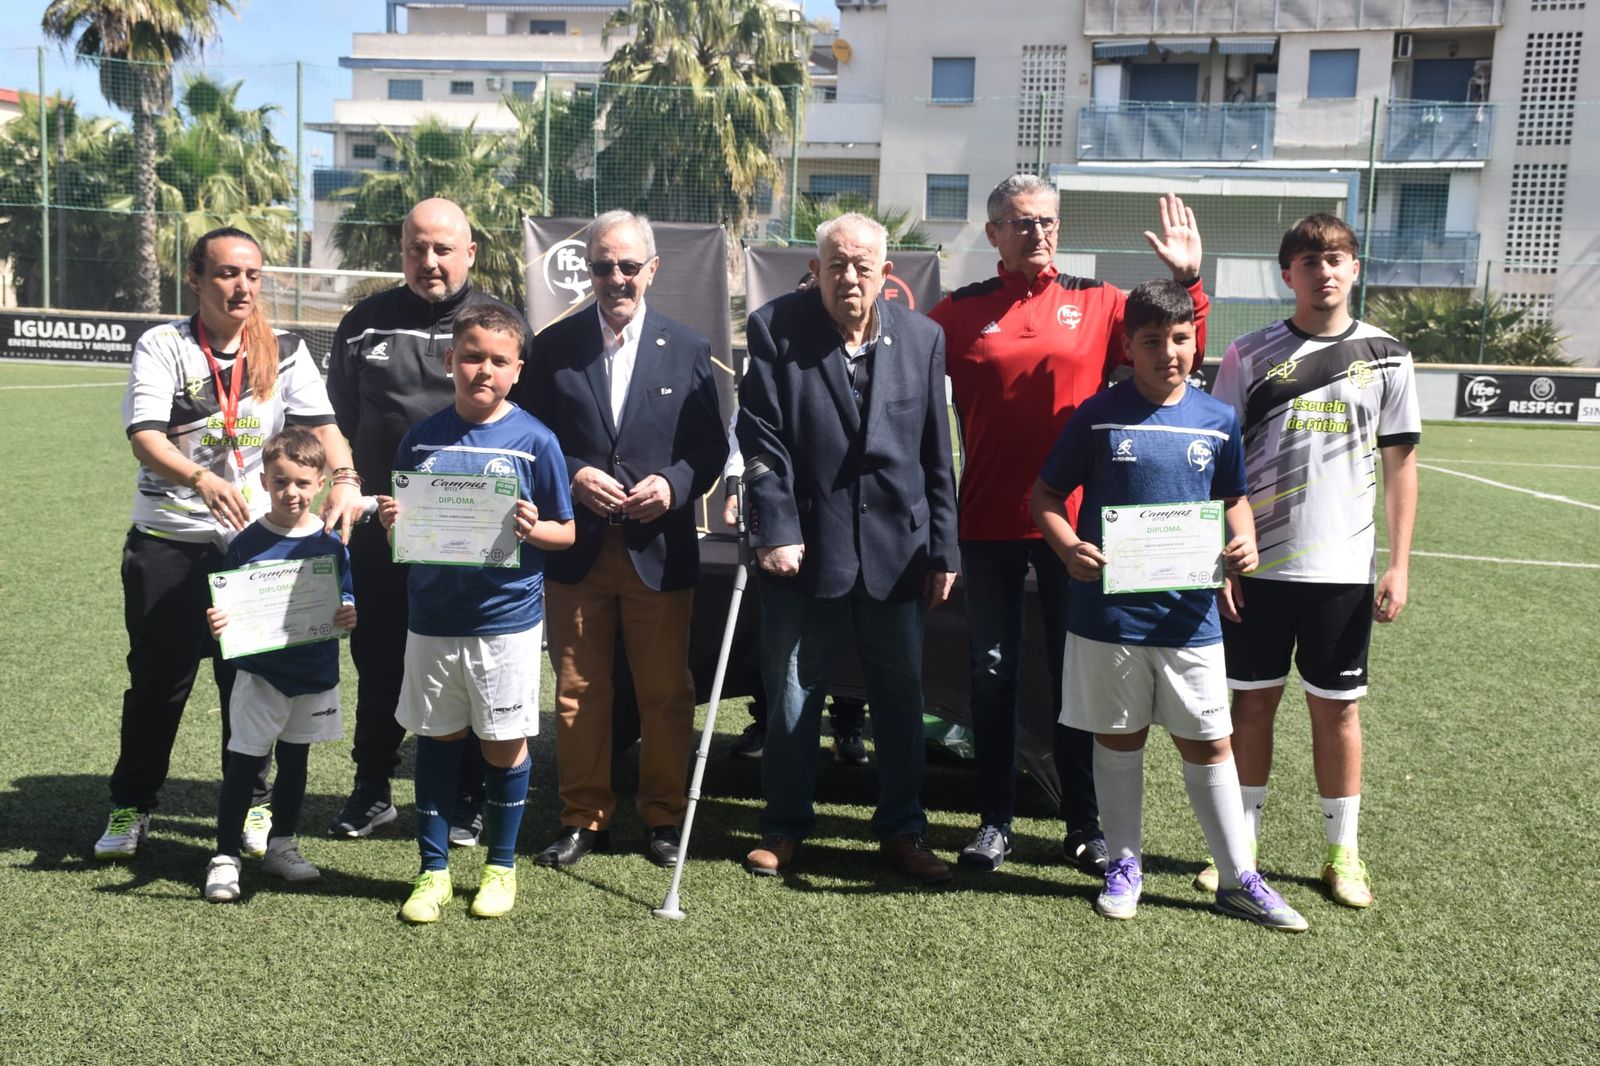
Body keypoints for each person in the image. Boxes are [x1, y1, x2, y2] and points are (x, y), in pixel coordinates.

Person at [929, 174, 1210, 873]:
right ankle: (994, 820)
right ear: (994, 233)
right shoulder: (957, 313)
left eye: (1049, 221)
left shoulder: (1099, 300)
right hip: (986, 525)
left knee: (1078, 679)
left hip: (1081, 533)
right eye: (1022, 222)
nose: (1039, 233)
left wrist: (1190, 282)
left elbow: (1178, 354)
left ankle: (1083, 823)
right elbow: (894, 371)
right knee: (990, 676)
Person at [1029, 280, 1307, 931]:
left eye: (1179, 339)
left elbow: (1233, 496)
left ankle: (1239, 877)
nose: (1168, 353)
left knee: (1210, 743)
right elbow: (1043, 495)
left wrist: (1243, 539)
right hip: (1108, 617)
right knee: (1118, 739)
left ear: (1194, 341)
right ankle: (1125, 864)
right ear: (1128, 347)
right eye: (1152, 341)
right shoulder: (1097, 415)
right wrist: (1069, 545)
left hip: (1191, 617)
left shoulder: (1217, 419)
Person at [96, 227, 361, 860]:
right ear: (195, 278)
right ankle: (132, 805)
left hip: (256, 546)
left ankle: (253, 808)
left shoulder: (284, 348)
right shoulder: (164, 344)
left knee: (251, 681)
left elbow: (323, 428)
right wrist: (200, 477)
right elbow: (146, 436)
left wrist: (346, 480)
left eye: (251, 274)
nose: (241, 286)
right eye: (225, 273)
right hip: (171, 539)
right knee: (159, 681)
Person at [1202, 213, 1420, 908]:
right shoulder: (1248, 353)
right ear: (1286, 273)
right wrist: (1224, 558)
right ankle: (1240, 853)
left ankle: (1342, 854)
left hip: (1344, 573)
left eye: (1336, 258)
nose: (1323, 271)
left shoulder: (1389, 355)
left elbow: (1402, 468)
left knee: (1339, 714)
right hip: (1260, 569)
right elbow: (1221, 462)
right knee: (1252, 706)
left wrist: (1400, 563)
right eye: (1308, 260)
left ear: (1355, 268)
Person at [736, 213, 958, 884]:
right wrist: (775, 529)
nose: (849, 277)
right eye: (836, 264)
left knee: (899, 697)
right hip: (806, 548)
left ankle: (903, 829)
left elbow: (935, 451)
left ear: (887, 274)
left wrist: (945, 548)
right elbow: (761, 440)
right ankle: (784, 827)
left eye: (863, 266)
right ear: (817, 269)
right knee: (795, 696)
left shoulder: (924, 337)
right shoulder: (775, 328)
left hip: (900, 549)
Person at [511, 210, 726, 869]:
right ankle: (584, 817)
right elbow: (530, 435)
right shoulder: (553, 346)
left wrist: (673, 485)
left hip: (657, 547)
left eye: (628, 266)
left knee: (665, 691)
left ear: (651, 270)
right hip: (576, 547)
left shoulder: (688, 348)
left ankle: (663, 819)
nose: (616, 278)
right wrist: (573, 475)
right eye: (603, 266)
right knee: (579, 688)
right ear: (589, 272)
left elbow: (710, 447)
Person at [325, 197, 534, 844]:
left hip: (472, 534)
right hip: (383, 530)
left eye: (443, 248)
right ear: (402, 252)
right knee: (380, 657)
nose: (429, 260)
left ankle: (468, 794)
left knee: (467, 659)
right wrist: (346, 484)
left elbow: (523, 427)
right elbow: (334, 420)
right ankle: (371, 787)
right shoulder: (364, 323)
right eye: (417, 247)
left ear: (470, 253)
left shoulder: (500, 323)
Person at [381, 303, 574, 923]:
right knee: (437, 741)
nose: (482, 370)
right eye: (471, 357)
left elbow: (567, 533)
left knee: (503, 745)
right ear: (450, 362)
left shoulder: (536, 440)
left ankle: (500, 866)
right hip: (433, 617)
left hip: (506, 621)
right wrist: (393, 525)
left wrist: (532, 526)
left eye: (497, 360)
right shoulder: (421, 437)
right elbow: (406, 537)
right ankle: (433, 872)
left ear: (517, 370)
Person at [202, 427, 357, 902]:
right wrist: (219, 619)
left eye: (303, 483)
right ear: (265, 481)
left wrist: (349, 612)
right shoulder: (247, 542)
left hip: (312, 671)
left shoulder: (331, 542)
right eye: (281, 481)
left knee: (295, 761)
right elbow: (228, 598)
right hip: (260, 675)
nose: (292, 492)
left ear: (321, 484)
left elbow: (344, 595)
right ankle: (226, 855)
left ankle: (281, 844)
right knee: (244, 764)